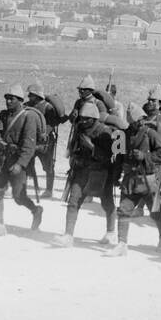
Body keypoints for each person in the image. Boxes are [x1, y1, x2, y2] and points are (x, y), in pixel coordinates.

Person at [113, 103, 161, 256]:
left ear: (141, 120)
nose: (135, 125)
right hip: (130, 180)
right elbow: (118, 156)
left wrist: (145, 156)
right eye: (132, 122)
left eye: (136, 122)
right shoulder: (123, 135)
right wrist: (115, 175)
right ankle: (122, 243)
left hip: (149, 180)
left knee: (155, 213)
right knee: (124, 210)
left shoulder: (151, 134)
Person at [0, 84, 45, 236]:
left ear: (20, 100)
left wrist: (20, 164)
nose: (8, 101)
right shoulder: (3, 115)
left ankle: (36, 210)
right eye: (6, 98)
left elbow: (29, 145)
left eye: (11, 99)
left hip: (18, 160)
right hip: (2, 158)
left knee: (18, 196)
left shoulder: (29, 117)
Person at [63, 100, 119, 244]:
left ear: (93, 119)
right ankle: (68, 235)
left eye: (86, 119)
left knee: (107, 203)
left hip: (99, 173)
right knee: (73, 201)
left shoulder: (104, 132)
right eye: (81, 118)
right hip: (81, 170)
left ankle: (111, 232)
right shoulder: (79, 128)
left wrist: (91, 147)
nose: (83, 121)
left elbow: (107, 156)